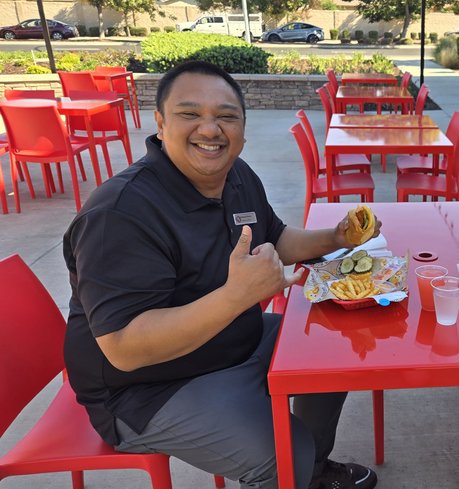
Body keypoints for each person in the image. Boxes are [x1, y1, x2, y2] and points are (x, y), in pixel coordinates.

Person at [63, 60, 379, 489]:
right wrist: (237, 297)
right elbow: (124, 348)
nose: (210, 130)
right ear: (160, 122)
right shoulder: (120, 214)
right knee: (285, 456)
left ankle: (313, 472)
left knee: (328, 355)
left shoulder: (235, 176)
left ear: (243, 130)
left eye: (226, 116)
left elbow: (278, 239)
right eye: (190, 114)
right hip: (145, 389)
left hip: (231, 343)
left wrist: (338, 236)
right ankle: (297, 469)